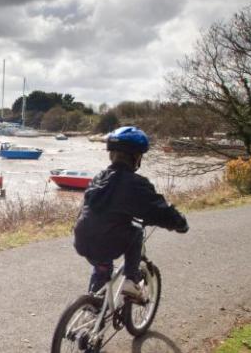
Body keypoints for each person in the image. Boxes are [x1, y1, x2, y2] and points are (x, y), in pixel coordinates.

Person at [74, 126, 189, 301]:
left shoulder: (99, 177)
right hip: (107, 242)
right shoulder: (136, 184)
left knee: (102, 267)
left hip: (82, 238)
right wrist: (180, 223)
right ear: (137, 157)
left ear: (112, 154)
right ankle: (131, 280)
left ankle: (94, 306)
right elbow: (160, 210)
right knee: (135, 231)